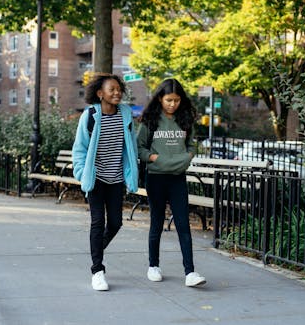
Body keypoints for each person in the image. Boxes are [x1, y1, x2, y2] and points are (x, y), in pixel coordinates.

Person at [137, 78, 206, 287]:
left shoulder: (185, 120)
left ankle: (190, 272)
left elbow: (193, 144)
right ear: (160, 98)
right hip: (156, 178)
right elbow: (140, 148)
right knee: (156, 223)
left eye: (176, 100)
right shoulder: (150, 120)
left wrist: (189, 155)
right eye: (168, 100)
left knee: (183, 224)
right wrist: (154, 158)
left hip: (178, 178)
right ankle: (153, 266)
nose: (172, 104)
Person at [72, 73, 139, 291]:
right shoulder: (90, 115)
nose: (117, 92)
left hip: (116, 179)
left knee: (116, 223)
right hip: (96, 178)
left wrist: (131, 174)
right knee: (98, 221)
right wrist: (82, 173)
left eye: (119, 89)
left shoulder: (126, 114)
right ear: (100, 94)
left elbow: (131, 147)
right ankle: (97, 270)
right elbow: (80, 148)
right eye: (112, 89)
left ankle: (95, 251)